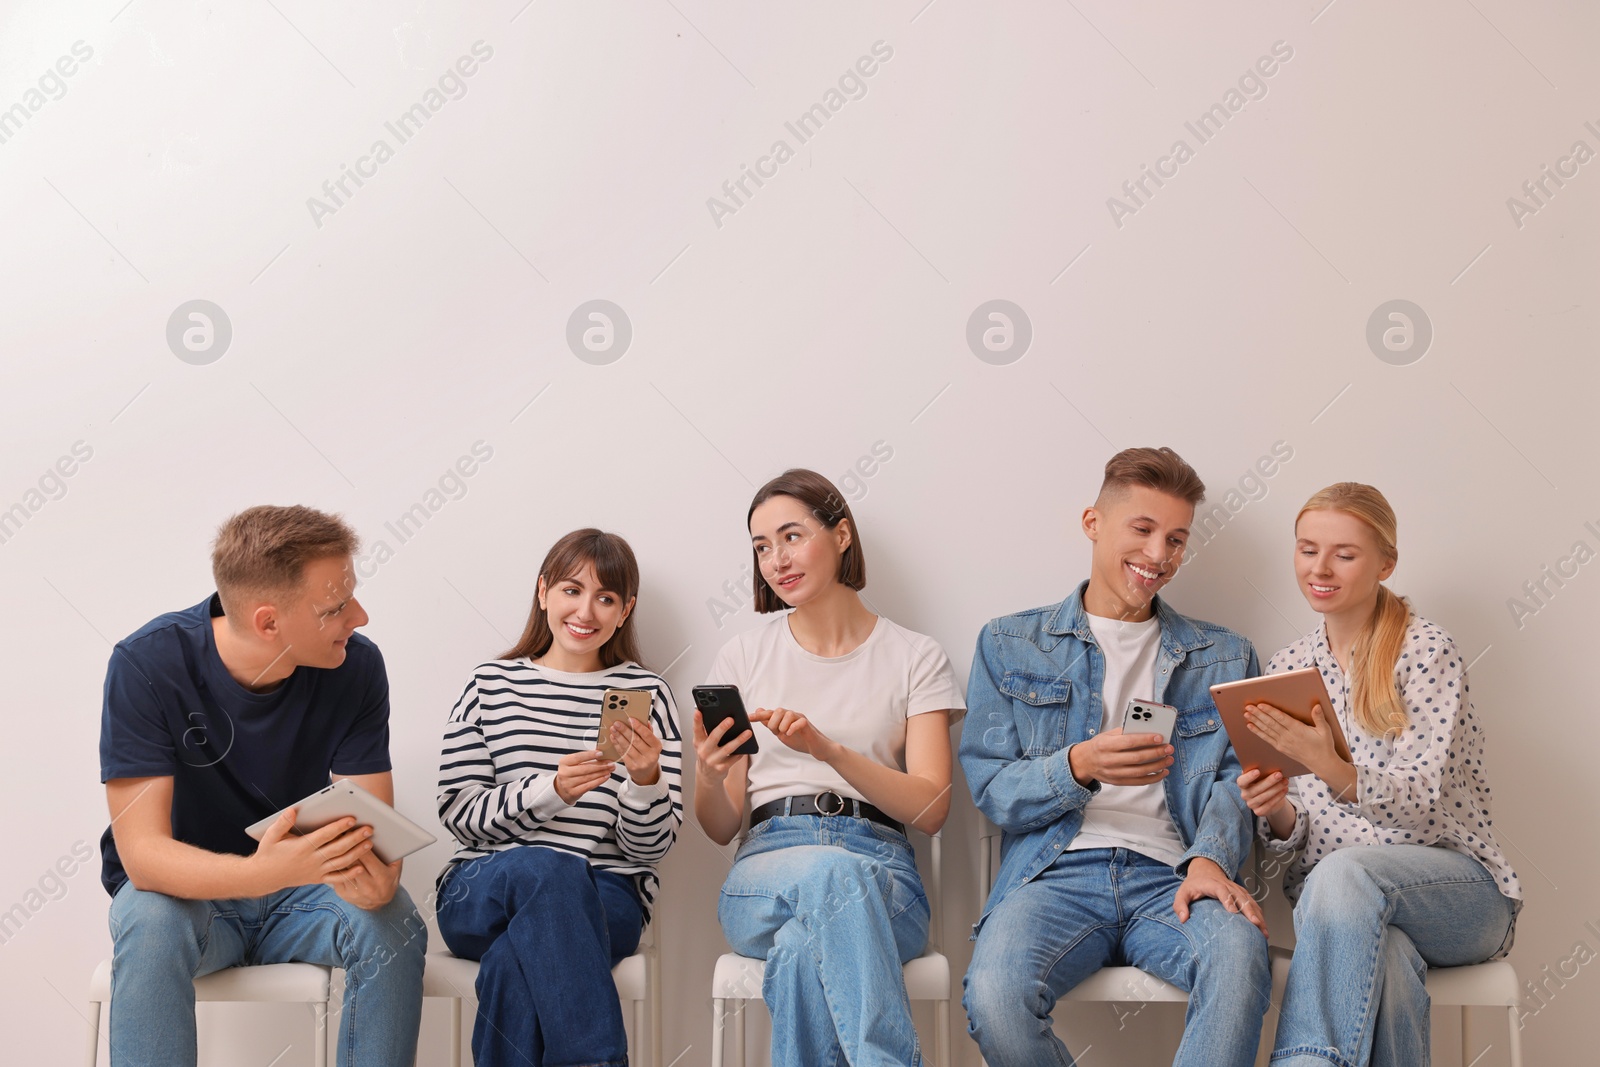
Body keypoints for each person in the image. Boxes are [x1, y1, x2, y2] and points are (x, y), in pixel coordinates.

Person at [961, 446, 1271, 1067]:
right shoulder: (1009, 641)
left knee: (1239, 959)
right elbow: (991, 785)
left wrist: (1210, 859)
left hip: (1176, 875)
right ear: (1092, 523)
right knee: (995, 996)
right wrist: (1078, 766)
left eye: (1177, 539)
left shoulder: (1226, 655)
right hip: (1054, 875)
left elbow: (1241, 779)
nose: (1160, 555)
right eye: (1144, 529)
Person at [98, 505, 425, 1067]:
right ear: (269, 622)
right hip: (188, 901)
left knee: (394, 921)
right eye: (337, 607)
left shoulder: (357, 667)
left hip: (304, 898)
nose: (361, 617)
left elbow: (377, 837)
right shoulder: (146, 664)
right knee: (149, 921)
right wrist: (261, 873)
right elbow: (143, 857)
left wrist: (379, 881)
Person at [1237, 483, 1521, 1067]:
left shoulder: (1425, 651)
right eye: (1307, 548)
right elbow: (1301, 834)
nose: (1320, 567)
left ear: (1385, 563)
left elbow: (1420, 809)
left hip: (1460, 898)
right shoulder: (1288, 666)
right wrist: (1276, 811)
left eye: (1344, 553)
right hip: (1345, 912)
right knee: (1386, 960)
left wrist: (1330, 766)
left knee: (1344, 876)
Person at [694, 469, 964, 1067]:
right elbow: (719, 826)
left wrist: (831, 752)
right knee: (827, 877)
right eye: (762, 546)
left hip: (884, 873)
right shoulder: (742, 655)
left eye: (791, 536)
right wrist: (710, 775)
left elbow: (933, 808)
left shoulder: (916, 656)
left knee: (798, 951)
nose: (775, 560)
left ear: (842, 535)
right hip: (766, 868)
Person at [436, 528, 683, 1067]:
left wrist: (646, 782)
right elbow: (458, 814)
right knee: (548, 867)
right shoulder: (490, 685)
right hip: (482, 889)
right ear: (543, 591)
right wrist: (548, 792)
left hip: (607, 894)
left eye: (606, 597)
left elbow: (647, 851)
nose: (586, 611)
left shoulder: (646, 696)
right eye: (572, 590)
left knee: (512, 964)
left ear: (625, 610)